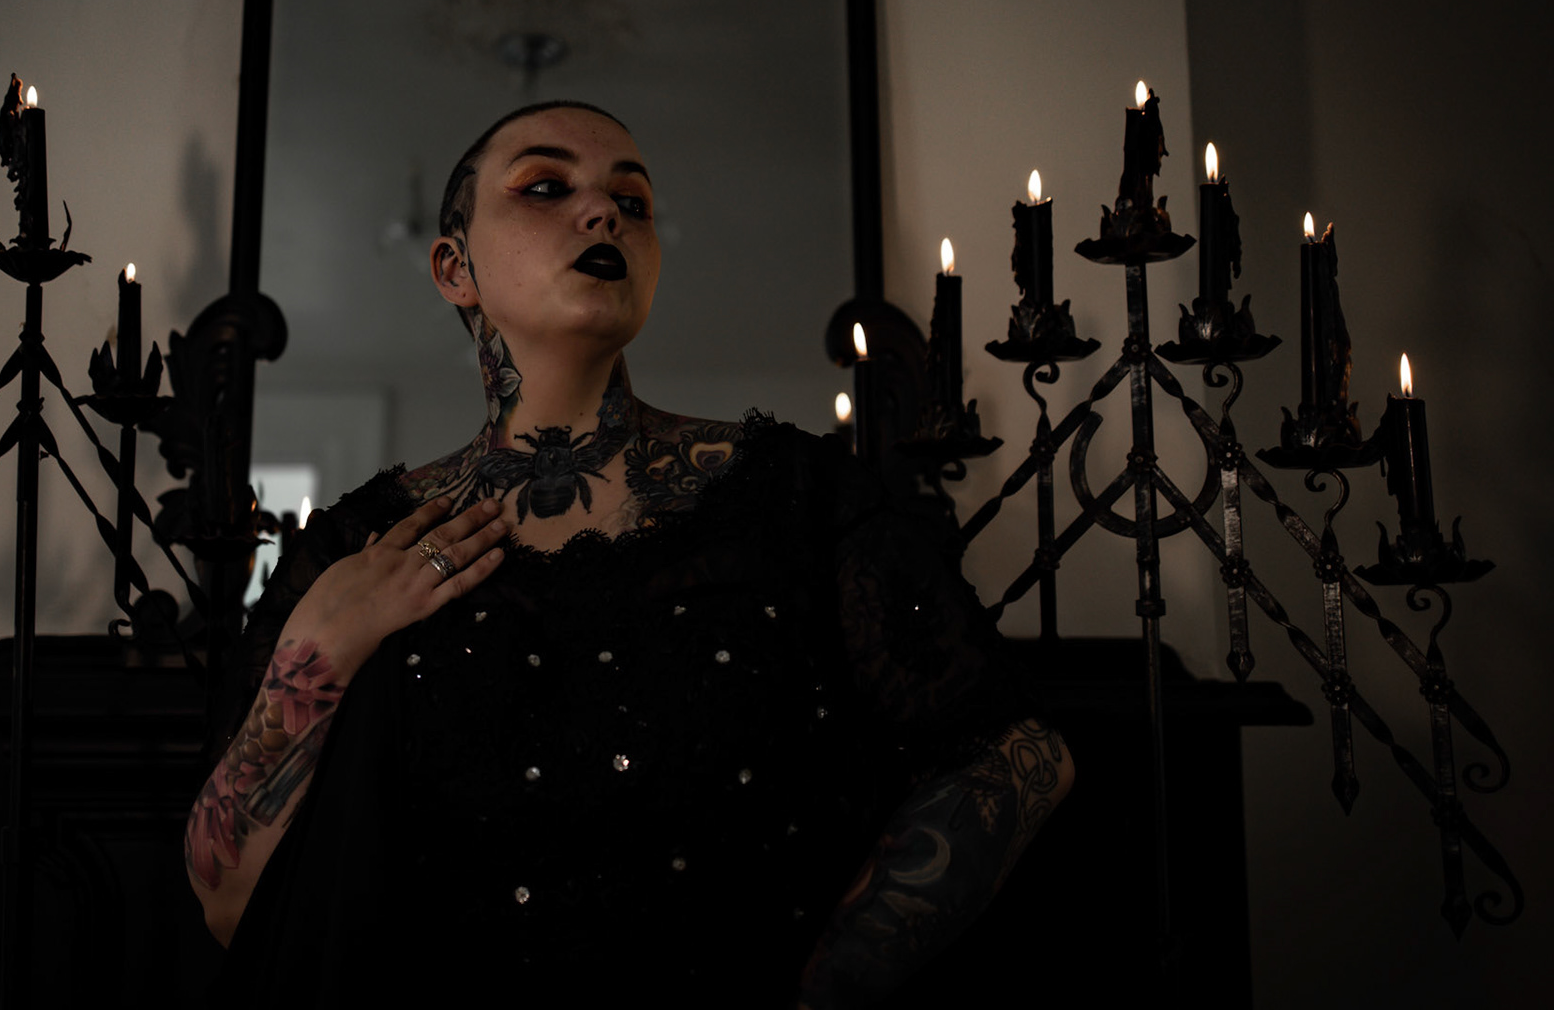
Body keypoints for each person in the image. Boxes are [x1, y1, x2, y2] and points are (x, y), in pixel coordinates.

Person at [187, 101, 1073, 1006]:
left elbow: (1013, 756)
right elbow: (228, 901)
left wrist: (825, 993)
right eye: (545, 187)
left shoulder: (798, 495)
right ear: (454, 267)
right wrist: (323, 646)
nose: (603, 213)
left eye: (633, 202)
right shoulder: (355, 545)